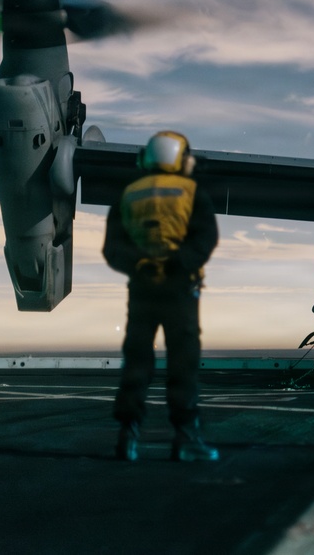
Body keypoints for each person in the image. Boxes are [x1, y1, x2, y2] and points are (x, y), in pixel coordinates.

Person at [102, 131, 220, 462]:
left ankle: (127, 436)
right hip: (180, 290)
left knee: (137, 361)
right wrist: (176, 265)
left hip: (141, 290)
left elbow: (113, 249)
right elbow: (205, 240)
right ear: (180, 159)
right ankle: (185, 438)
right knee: (183, 364)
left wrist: (140, 265)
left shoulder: (128, 195)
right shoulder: (191, 191)